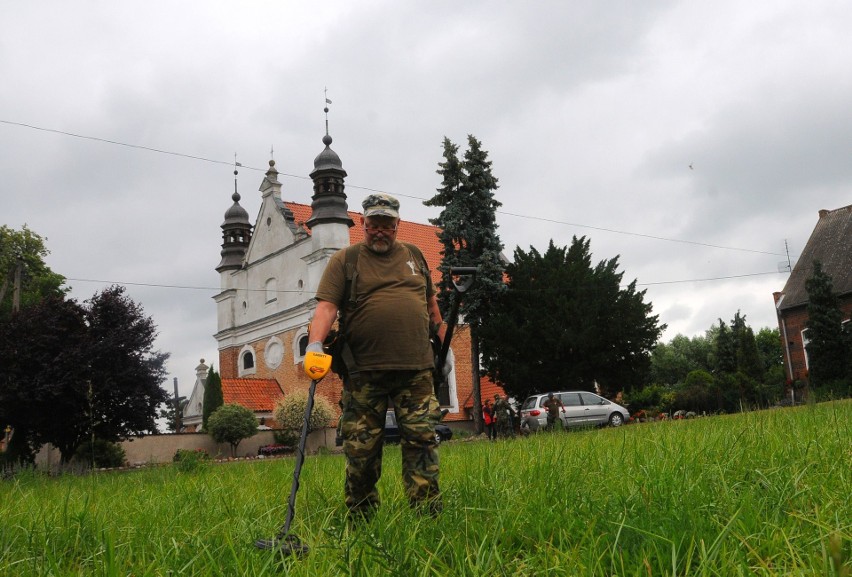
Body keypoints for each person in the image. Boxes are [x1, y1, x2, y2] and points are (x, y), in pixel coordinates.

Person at [306, 193, 447, 520]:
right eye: (374, 225)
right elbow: (326, 308)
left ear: (397, 224)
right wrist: (314, 344)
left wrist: (445, 347)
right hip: (363, 374)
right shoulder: (345, 260)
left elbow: (432, 307)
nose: (380, 231)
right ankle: (361, 520)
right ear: (363, 223)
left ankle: (427, 519)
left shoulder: (414, 255)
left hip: (416, 373)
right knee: (361, 454)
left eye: (387, 225)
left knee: (423, 447)